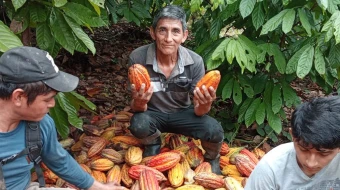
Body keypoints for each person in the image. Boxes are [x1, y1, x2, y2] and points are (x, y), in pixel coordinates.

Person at [0, 46, 127, 190]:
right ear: (18, 97)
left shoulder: (41, 124)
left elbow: (59, 161)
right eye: (47, 99)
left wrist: (100, 187)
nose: (53, 104)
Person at [127, 5, 224, 174]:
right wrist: (140, 101)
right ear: (152, 33)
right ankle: (153, 143)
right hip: (152, 114)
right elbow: (137, 109)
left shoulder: (195, 61)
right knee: (138, 123)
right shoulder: (138, 58)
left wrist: (205, 103)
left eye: (175, 31)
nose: (168, 38)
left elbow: (200, 111)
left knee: (214, 129)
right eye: (162, 30)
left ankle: (211, 157)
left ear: (184, 36)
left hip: (183, 114)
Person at [245, 96, 340, 190]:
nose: (311, 163)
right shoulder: (271, 169)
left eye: (324, 153)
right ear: (292, 135)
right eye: (304, 149)